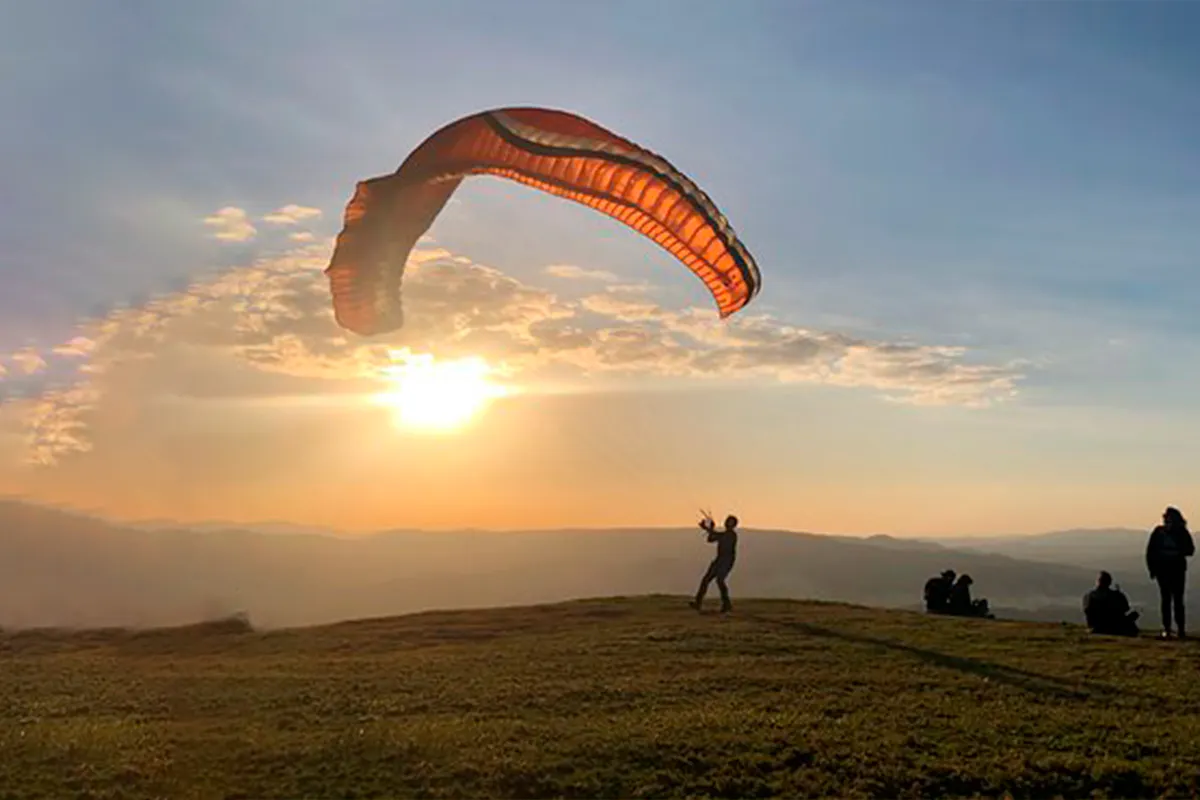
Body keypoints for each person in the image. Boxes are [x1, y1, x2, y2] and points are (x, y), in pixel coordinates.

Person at [1146, 506, 1195, 639]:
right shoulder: (1160, 532)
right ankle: (1169, 629)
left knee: (1174, 600)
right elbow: (1150, 552)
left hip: (1175, 570)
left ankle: (1178, 630)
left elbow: (1190, 550)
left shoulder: (1180, 533)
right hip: (1167, 570)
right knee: (1168, 600)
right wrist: (1152, 568)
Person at [690, 512, 738, 613]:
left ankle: (726, 604)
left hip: (726, 561)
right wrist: (710, 529)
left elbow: (716, 537)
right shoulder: (727, 534)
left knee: (718, 580)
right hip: (720, 560)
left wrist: (709, 529)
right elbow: (711, 539)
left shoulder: (731, 535)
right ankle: (699, 603)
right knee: (707, 580)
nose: (727, 524)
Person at [1083, 570, 1140, 637]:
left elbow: (1087, 612)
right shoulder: (1114, 596)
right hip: (1111, 627)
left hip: (1094, 627)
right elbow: (1125, 609)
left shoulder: (1088, 596)